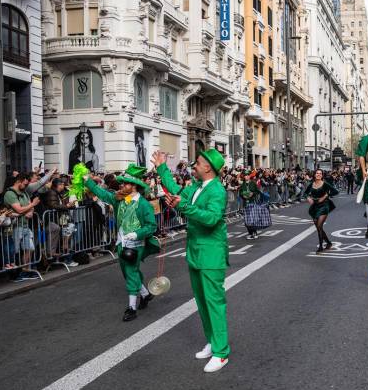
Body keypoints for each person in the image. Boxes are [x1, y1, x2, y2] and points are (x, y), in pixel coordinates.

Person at [153, 149, 231, 373]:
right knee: (202, 301)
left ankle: (221, 352)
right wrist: (161, 169)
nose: (192, 166)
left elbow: (212, 218)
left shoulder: (217, 190)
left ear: (208, 167)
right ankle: (213, 341)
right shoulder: (197, 187)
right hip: (196, 252)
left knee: (214, 303)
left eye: (197, 163)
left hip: (211, 254)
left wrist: (183, 206)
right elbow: (178, 192)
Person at [84, 165, 160, 321]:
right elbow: (103, 194)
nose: (122, 185)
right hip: (121, 243)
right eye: (122, 183)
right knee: (128, 272)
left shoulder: (144, 204)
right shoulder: (120, 199)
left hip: (136, 245)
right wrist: (88, 182)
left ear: (134, 186)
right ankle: (145, 294)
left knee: (131, 271)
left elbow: (152, 226)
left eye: (126, 183)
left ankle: (131, 307)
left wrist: (137, 234)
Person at [3, 173, 41, 281]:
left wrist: (31, 211)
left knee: (30, 248)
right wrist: (32, 205)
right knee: (15, 250)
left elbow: (29, 205)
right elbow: (19, 209)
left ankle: (25, 270)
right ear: (19, 181)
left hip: (25, 225)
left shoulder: (24, 193)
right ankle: (14, 274)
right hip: (15, 226)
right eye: (24, 184)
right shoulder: (10, 193)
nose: (26, 186)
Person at [303, 168, 339, 253]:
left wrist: (326, 195)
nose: (318, 174)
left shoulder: (325, 184)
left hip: (324, 206)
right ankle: (329, 243)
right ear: (314, 175)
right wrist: (308, 198)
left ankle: (320, 247)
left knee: (319, 226)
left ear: (322, 175)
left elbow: (335, 191)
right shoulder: (311, 184)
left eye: (320, 173)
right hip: (314, 206)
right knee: (319, 228)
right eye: (317, 173)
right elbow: (305, 193)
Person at [240, 172, 270, 240]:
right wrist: (243, 195)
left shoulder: (253, 183)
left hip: (252, 203)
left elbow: (257, 191)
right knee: (247, 220)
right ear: (244, 177)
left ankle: (254, 232)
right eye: (245, 175)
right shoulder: (243, 184)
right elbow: (240, 192)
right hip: (245, 203)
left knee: (253, 219)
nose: (246, 176)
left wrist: (252, 194)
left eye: (247, 175)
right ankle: (250, 233)